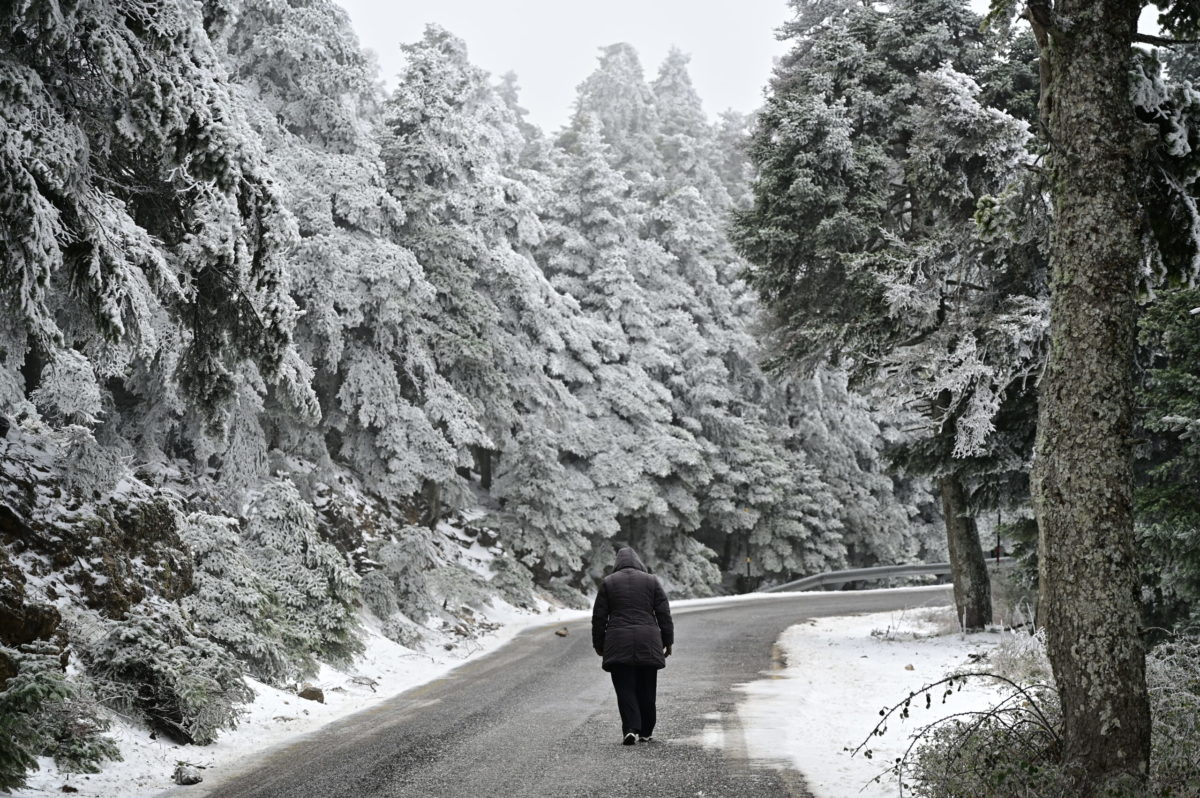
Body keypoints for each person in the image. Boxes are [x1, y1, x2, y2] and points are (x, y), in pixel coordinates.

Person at [591, 546, 674, 746]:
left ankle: (630, 728)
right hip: (648, 640)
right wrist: (668, 641)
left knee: (625, 687)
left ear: (617, 564)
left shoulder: (608, 583)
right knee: (647, 687)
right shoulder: (651, 581)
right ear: (638, 562)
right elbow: (664, 613)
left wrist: (599, 644)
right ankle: (646, 730)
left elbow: (599, 618)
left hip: (618, 641)